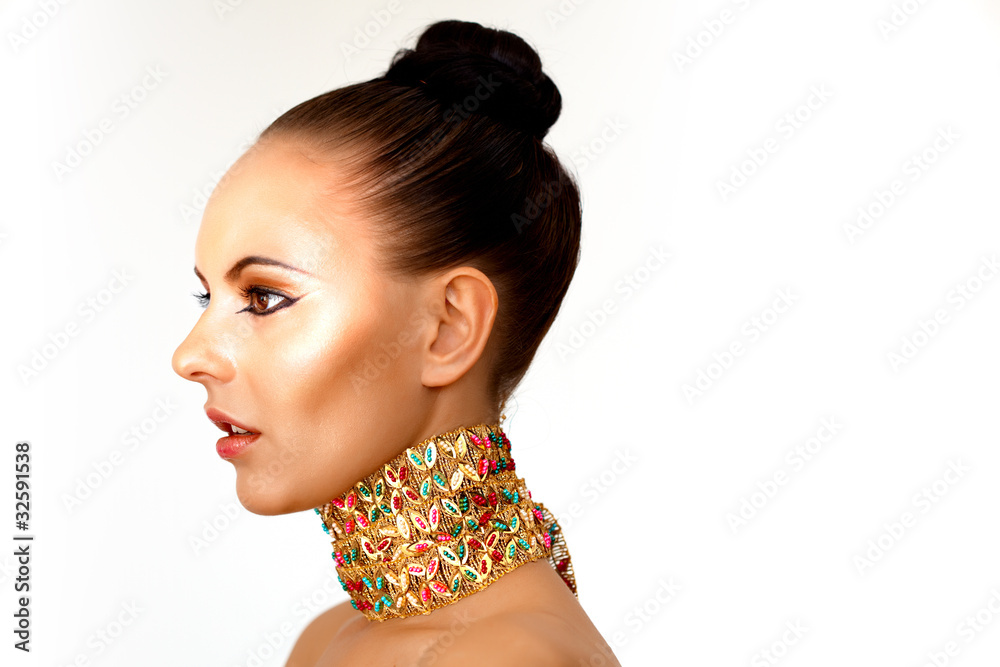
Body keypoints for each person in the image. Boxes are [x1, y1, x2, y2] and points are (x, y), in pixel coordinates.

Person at [172, 18, 621, 666]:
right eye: (206, 297)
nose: (189, 356)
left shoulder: (504, 657)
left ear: (448, 327)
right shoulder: (326, 640)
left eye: (264, 297)